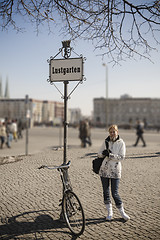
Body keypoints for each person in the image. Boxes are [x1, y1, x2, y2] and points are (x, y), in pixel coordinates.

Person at [98, 124, 130, 221]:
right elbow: (98, 154)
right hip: (104, 170)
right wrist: (102, 154)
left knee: (115, 193)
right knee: (106, 192)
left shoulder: (121, 143)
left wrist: (110, 155)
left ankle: (122, 212)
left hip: (115, 170)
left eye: (114, 132)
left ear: (117, 132)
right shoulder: (106, 141)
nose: (112, 133)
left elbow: (121, 157)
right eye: (110, 132)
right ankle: (110, 212)